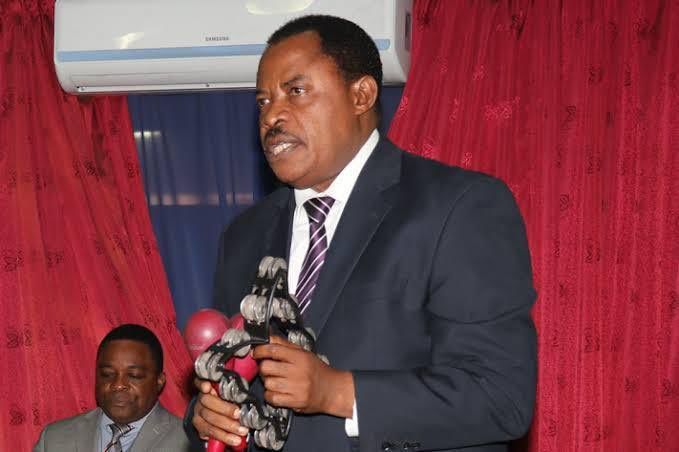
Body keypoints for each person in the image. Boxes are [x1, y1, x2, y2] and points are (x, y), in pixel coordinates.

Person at [187, 14, 537, 452]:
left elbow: (499, 396)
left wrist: (338, 392)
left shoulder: (458, 207)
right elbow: (229, 378)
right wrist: (207, 415)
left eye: (295, 91)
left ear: (361, 95)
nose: (271, 115)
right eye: (263, 101)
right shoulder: (243, 235)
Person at [35, 324, 191, 452]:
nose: (118, 384)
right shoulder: (53, 439)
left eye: (134, 375)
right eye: (107, 374)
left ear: (159, 381)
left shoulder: (189, 442)